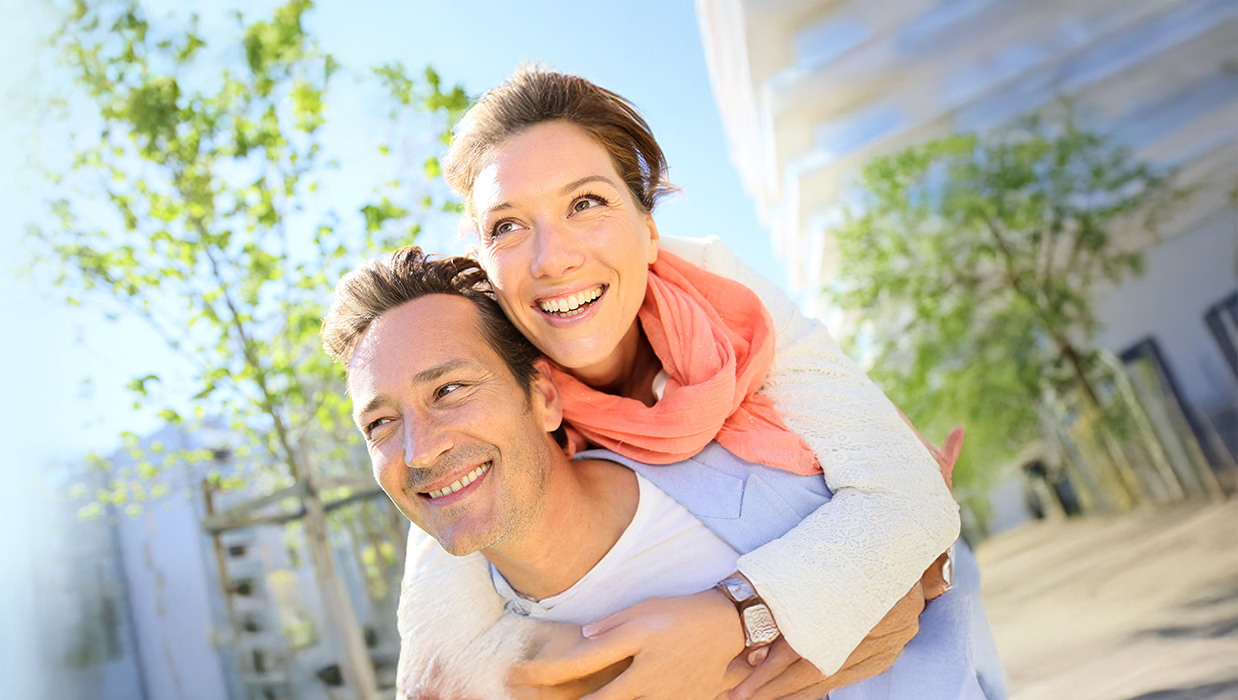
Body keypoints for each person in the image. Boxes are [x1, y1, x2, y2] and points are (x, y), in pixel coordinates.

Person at [380, 65, 980, 697]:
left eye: (586, 203)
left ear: (650, 230)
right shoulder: (488, 377)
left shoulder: (722, 296)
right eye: (507, 226)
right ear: (481, 257)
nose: (551, 257)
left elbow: (910, 498)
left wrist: (740, 616)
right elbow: (431, 661)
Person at [320, 249, 1006, 699]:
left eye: (449, 391)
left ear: (545, 395)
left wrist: (766, 616)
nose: (418, 450)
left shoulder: (748, 461)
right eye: (379, 423)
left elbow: (929, 551)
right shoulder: (487, 652)